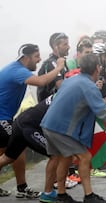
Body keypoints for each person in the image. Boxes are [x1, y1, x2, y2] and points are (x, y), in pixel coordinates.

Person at [41, 53, 106, 203]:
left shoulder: (71, 80)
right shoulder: (89, 86)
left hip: (48, 124)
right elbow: (104, 114)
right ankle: (89, 196)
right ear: (97, 69)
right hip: (61, 129)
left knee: (64, 158)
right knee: (85, 157)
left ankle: (61, 195)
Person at [0, 43, 65, 198]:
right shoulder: (18, 70)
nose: (39, 59)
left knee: (10, 152)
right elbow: (41, 82)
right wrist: (58, 68)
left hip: (5, 117)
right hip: (2, 118)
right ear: (25, 57)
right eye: (36, 56)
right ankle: (23, 188)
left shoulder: (15, 69)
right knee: (13, 149)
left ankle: (22, 187)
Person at [37, 32, 70, 102]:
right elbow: (62, 87)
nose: (68, 47)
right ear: (55, 46)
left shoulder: (61, 61)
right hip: (49, 108)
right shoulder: (51, 63)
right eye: (65, 44)